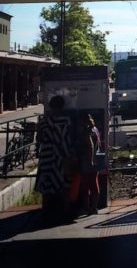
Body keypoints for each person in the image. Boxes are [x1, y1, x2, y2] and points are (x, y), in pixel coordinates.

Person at [35, 95, 72, 225]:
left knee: (46, 183)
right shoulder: (67, 120)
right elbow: (70, 137)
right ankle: (66, 210)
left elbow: (39, 139)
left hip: (47, 154)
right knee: (64, 183)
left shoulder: (44, 121)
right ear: (62, 106)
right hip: (62, 154)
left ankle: (46, 210)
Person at [77, 114, 102, 215]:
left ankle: (87, 208)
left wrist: (90, 160)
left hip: (87, 161)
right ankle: (94, 207)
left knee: (85, 186)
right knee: (94, 184)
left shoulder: (86, 131)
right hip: (96, 160)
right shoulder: (95, 129)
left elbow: (90, 146)